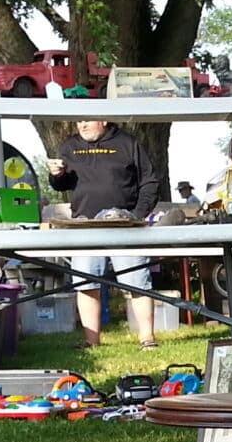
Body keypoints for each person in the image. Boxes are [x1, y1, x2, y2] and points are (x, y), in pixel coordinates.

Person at [47, 119, 161, 347]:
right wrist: (56, 175)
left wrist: (137, 215)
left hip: (123, 223)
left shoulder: (128, 143)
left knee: (137, 280)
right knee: (86, 283)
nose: (81, 126)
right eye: (78, 122)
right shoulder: (69, 146)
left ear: (103, 120)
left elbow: (149, 181)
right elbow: (62, 185)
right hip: (84, 224)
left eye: (87, 121)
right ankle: (91, 340)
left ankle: (147, 338)